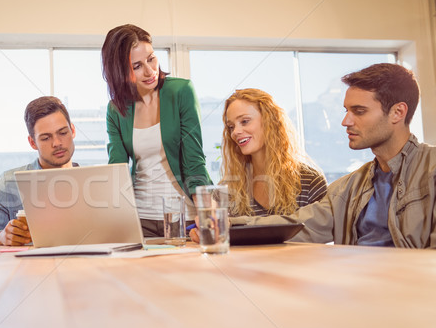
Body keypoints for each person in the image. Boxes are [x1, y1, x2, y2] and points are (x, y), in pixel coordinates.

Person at [197, 63, 435, 248]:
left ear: (397, 112)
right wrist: (226, 225)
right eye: (346, 111)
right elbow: (296, 225)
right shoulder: (348, 188)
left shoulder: (430, 170)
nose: (346, 121)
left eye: (359, 111)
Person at [101, 24, 212, 237]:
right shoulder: (116, 109)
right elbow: (117, 168)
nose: (150, 71)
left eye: (151, 59)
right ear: (119, 71)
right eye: (137, 66)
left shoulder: (181, 91)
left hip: (184, 217)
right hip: (139, 218)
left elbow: (194, 160)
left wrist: (205, 213)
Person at [0, 96, 78, 254]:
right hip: (29, 274)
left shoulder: (97, 182)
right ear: (32, 142)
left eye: (63, 133)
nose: (57, 143)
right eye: (46, 138)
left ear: (72, 131)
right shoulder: (9, 183)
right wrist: (0, 238)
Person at [220, 88, 327, 216]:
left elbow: (321, 233)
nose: (235, 132)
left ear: (269, 121)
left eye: (244, 121)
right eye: (231, 127)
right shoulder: (230, 189)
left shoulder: (309, 182)